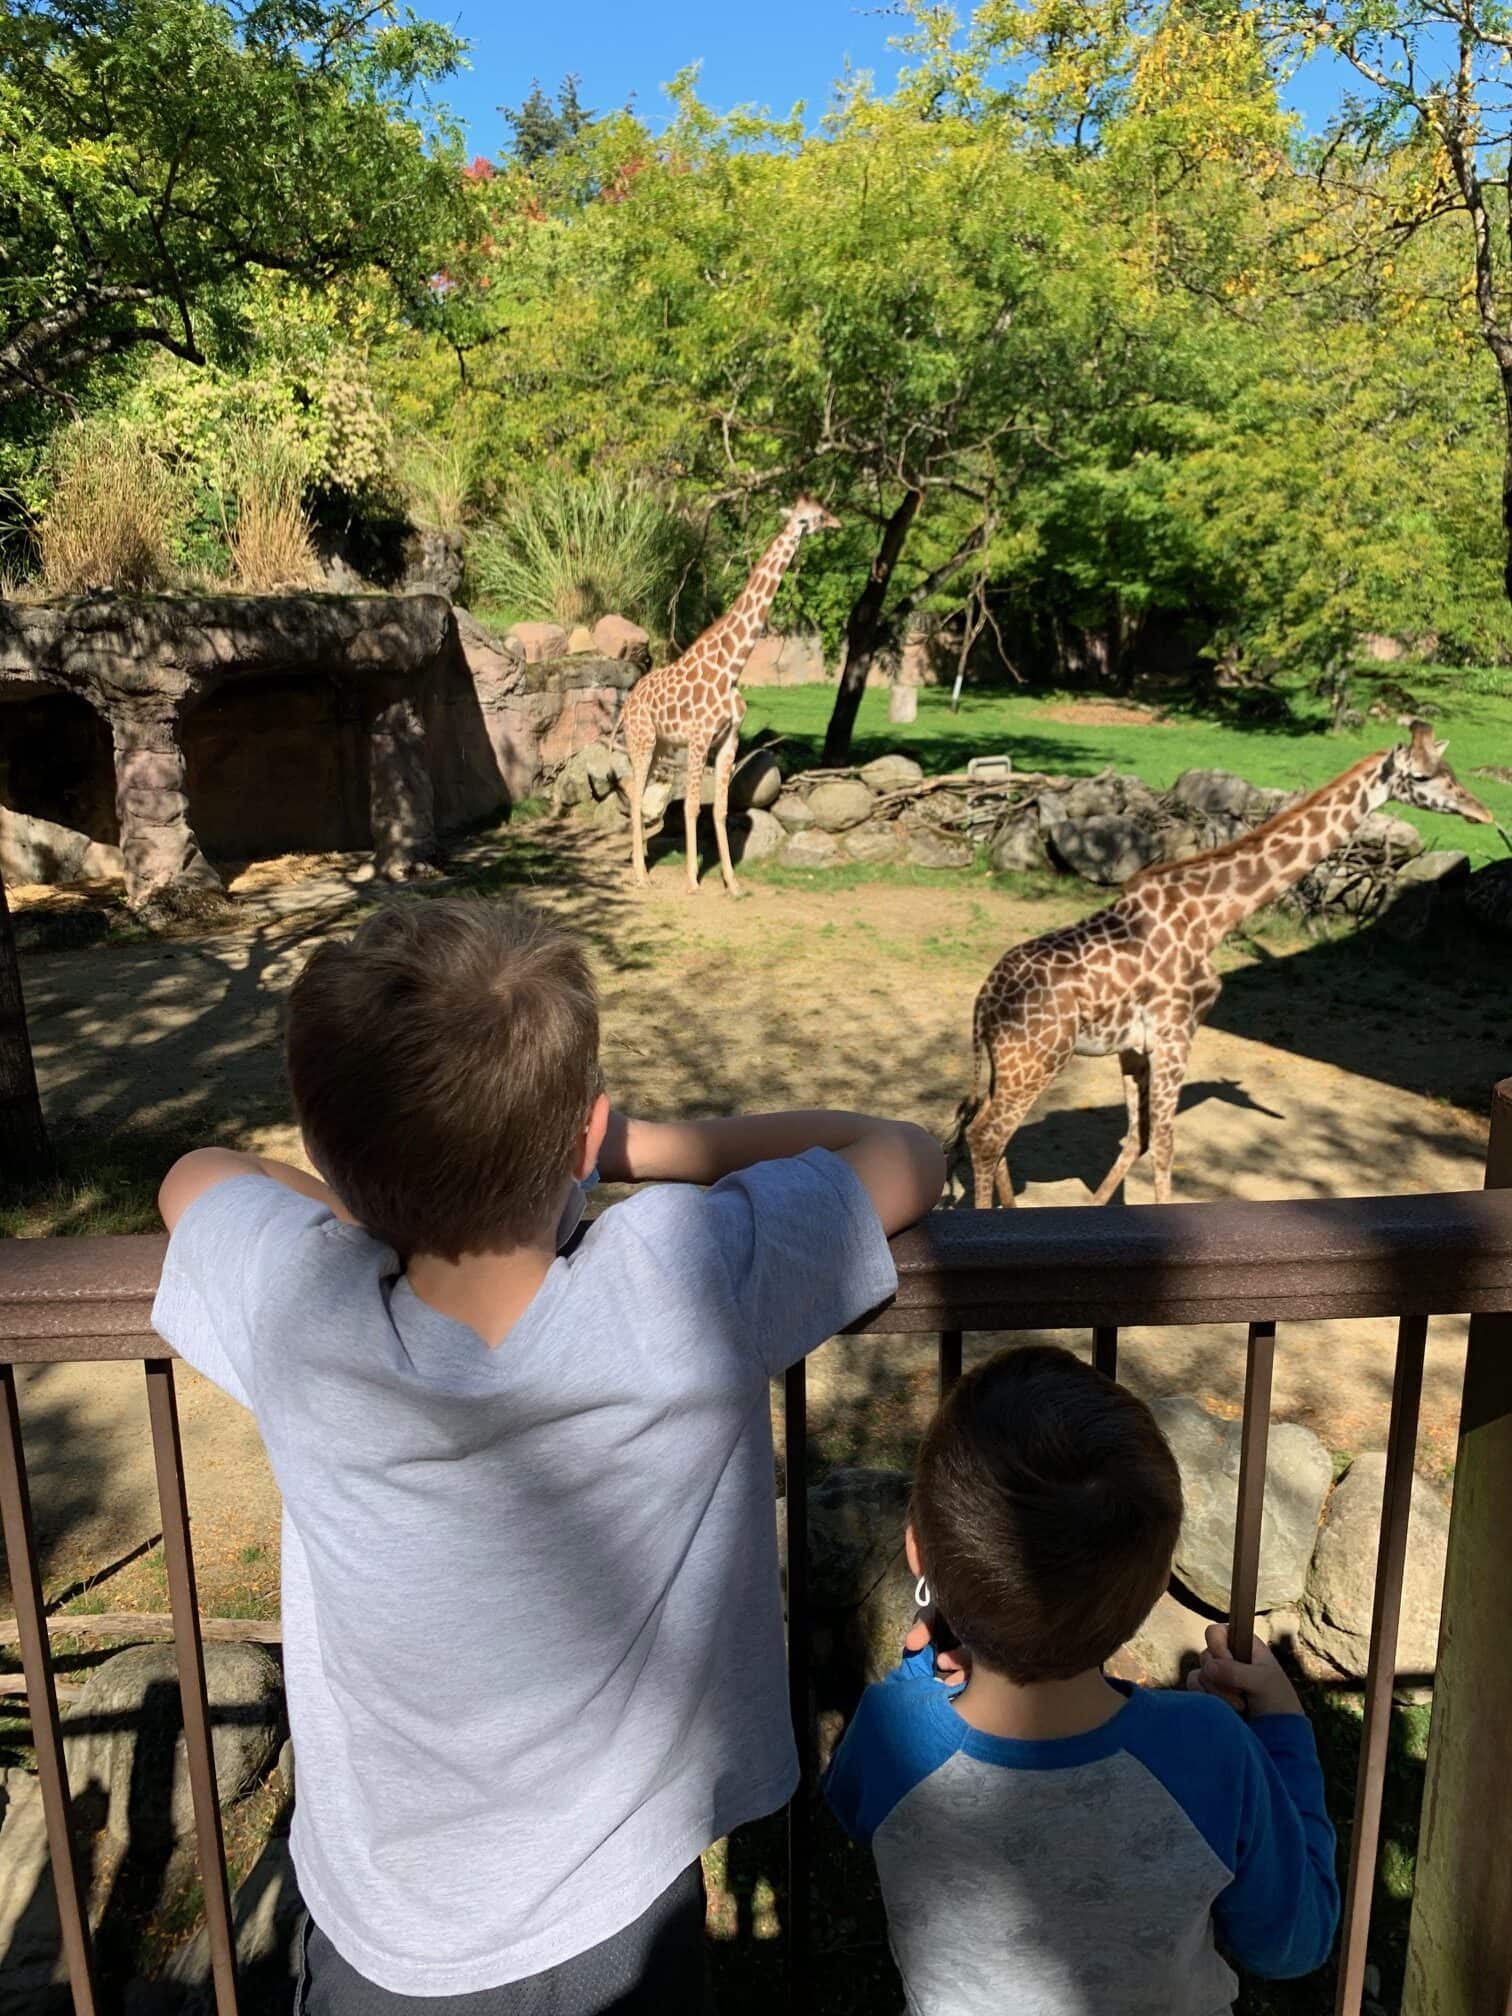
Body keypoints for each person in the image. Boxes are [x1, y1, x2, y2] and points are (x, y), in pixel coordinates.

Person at [152, 895, 944, 2015]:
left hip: (387, 1929)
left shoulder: (299, 1307)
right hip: (625, 1912)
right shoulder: (684, 1273)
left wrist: (354, 1210)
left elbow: (196, 1175)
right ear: (579, 1132)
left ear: (330, 1142)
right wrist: (639, 1147)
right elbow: (907, 1154)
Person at [824, 1345, 1340, 2014]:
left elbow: (852, 1801)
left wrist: (926, 1661)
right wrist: (1282, 1728)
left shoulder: (893, 1735)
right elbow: (1292, 1944)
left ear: (918, 1548)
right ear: (1156, 1584)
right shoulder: (1212, 1752)